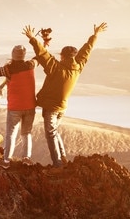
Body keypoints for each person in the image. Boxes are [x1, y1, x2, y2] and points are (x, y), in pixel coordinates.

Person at [22, 22, 108, 169]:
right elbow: (87, 50)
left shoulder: (56, 68)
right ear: (74, 56)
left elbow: (42, 54)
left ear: (62, 56)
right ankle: (62, 158)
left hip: (51, 108)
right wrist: (95, 35)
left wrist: (32, 38)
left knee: (51, 134)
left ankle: (58, 164)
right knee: (54, 132)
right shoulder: (78, 66)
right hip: (62, 108)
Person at [0, 45, 37, 169]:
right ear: (23, 55)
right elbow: (40, 56)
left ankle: (6, 161)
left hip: (15, 107)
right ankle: (26, 158)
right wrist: (44, 43)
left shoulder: (8, 69)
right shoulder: (31, 65)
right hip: (30, 105)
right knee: (26, 132)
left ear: (13, 55)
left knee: (11, 134)